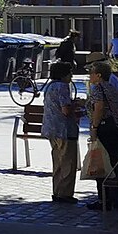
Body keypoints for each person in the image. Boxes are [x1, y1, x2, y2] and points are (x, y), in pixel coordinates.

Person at [86, 60, 118, 210]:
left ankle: (104, 199)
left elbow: (98, 109)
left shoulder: (97, 88)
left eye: (91, 72)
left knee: (102, 164)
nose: (89, 76)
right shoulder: (111, 86)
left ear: (98, 75)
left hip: (106, 128)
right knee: (116, 163)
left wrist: (94, 127)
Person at [40, 60, 82, 203]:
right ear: (63, 74)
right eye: (69, 72)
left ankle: (56, 191)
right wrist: (76, 104)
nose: (71, 75)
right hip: (64, 130)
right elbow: (65, 109)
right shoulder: (63, 86)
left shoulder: (49, 86)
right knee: (68, 163)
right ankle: (65, 194)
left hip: (51, 129)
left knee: (57, 162)